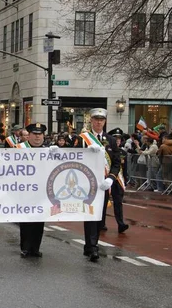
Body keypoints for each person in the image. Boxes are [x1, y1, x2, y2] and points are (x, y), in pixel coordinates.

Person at [77, 108, 122, 262]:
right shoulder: (83, 139)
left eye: (101, 120)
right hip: (87, 184)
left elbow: (116, 162)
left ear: (104, 122)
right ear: (91, 121)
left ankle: (90, 246)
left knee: (100, 217)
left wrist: (111, 178)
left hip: (103, 184)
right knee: (90, 215)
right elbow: (72, 157)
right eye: (96, 119)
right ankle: (92, 246)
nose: (98, 122)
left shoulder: (110, 140)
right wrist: (85, 151)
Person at [18, 123, 48, 258]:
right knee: (26, 220)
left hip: (42, 191)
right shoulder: (19, 149)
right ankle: (25, 247)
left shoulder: (49, 151)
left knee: (39, 220)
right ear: (28, 135)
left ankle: (35, 248)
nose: (37, 137)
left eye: (40, 134)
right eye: (35, 134)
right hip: (25, 190)